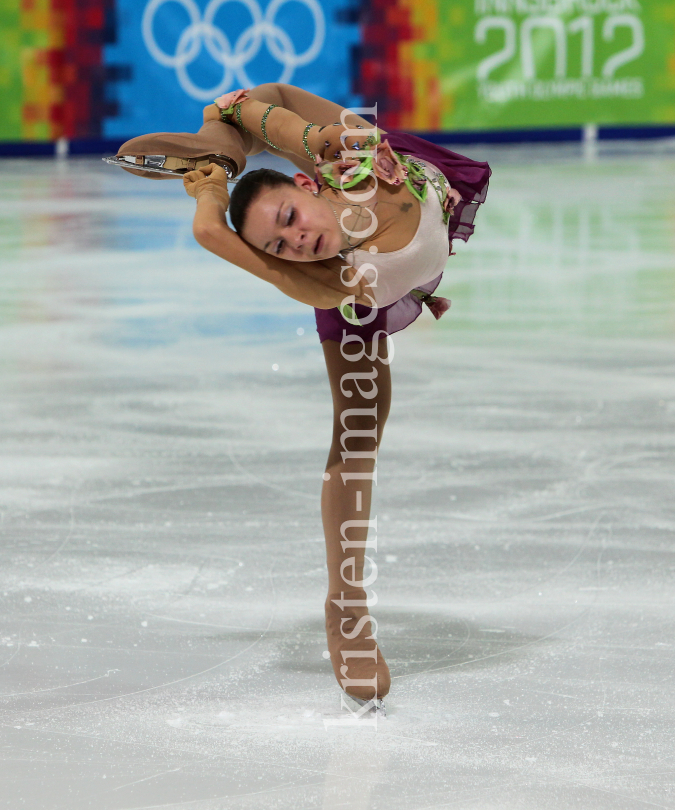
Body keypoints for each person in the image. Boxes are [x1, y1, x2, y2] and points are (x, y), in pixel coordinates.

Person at [111, 83, 491, 712]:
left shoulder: (350, 152)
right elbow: (212, 233)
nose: (295, 242)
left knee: (255, 105)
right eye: (278, 247)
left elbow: (272, 101)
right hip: (363, 296)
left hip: (378, 174)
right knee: (360, 435)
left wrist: (244, 126)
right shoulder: (333, 280)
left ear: (308, 185)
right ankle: (347, 609)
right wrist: (209, 190)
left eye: (288, 220)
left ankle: (224, 148)